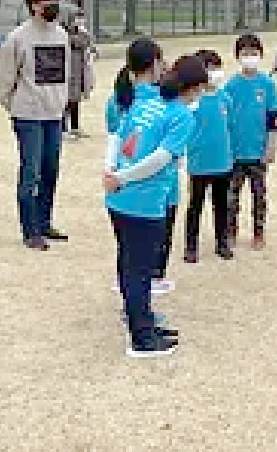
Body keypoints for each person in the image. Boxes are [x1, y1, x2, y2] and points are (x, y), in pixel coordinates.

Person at [104, 54, 207, 358]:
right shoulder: (182, 116)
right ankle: (142, 340)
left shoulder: (147, 101)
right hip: (143, 200)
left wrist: (112, 172)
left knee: (129, 264)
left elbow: (118, 138)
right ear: (192, 88)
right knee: (139, 270)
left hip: (119, 199)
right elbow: (160, 159)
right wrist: (122, 177)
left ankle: (143, 323)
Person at [0, 0, 70, 250]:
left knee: (51, 170)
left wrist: (62, 103)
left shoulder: (61, 34)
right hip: (28, 115)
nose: (53, 7)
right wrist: (15, 105)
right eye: (47, 2)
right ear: (34, 6)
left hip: (54, 114)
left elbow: (66, 75)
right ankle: (29, 230)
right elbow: (5, 79)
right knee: (31, 172)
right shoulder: (18, 37)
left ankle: (44, 221)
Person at [223, 34, 277, 250]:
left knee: (259, 195)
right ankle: (230, 233)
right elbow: (225, 121)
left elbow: (273, 118)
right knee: (231, 197)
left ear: (261, 55)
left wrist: (271, 146)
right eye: (245, 54)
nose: (250, 58)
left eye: (254, 54)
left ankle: (258, 232)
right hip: (235, 153)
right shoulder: (230, 86)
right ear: (237, 57)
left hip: (258, 152)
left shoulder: (267, 85)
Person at [183, 50, 235, 263]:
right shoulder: (193, 101)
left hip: (222, 161)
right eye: (209, 69)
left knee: (222, 204)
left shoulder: (225, 98)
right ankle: (191, 246)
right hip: (199, 162)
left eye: (216, 68)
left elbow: (230, 126)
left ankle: (222, 242)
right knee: (196, 204)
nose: (214, 73)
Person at [63, 9, 96, 139]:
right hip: (68, 71)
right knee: (66, 101)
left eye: (82, 18)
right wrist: (84, 37)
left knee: (76, 100)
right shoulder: (65, 33)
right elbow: (78, 42)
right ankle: (64, 129)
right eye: (78, 18)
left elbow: (88, 44)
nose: (81, 21)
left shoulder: (82, 33)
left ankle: (75, 127)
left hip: (79, 71)